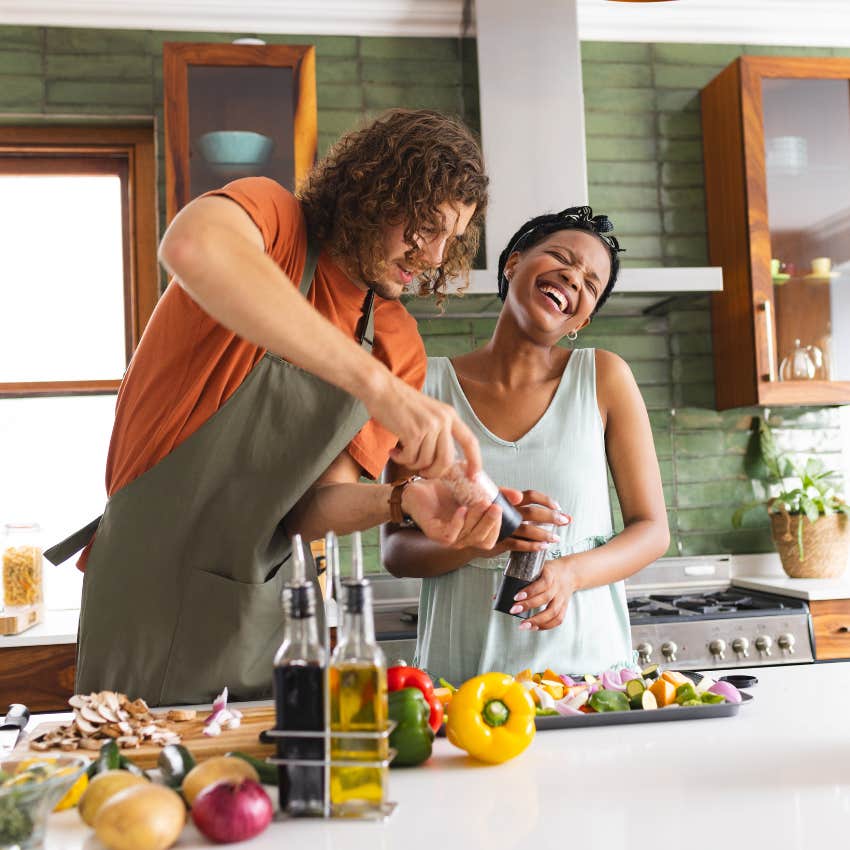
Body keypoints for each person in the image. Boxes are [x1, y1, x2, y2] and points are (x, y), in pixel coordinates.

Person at [46, 109, 504, 705]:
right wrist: (377, 388)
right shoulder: (276, 227)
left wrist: (404, 499)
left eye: (452, 237)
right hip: (146, 595)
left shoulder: (395, 343)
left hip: (269, 615)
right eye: (423, 225)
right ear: (373, 191)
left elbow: (309, 510)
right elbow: (192, 245)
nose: (435, 256)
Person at [382, 206, 670, 683]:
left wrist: (571, 574)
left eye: (591, 283)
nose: (574, 278)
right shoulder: (423, 385)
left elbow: (652, 530)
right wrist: (482, 541)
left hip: (585, 678)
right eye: (561, 256)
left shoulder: (604, 377)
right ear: (513, 263)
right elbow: (395, 551)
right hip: (461, 680)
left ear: (584, 318)